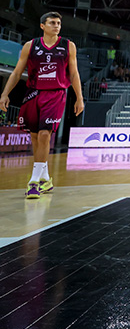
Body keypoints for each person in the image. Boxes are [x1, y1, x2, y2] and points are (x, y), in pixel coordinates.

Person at [0, 12, 84, 198]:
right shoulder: (30, 46)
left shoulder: (68, 46)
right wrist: (5, 94)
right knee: (36, 138)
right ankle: (46, 179)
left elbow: (74, 73)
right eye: (52, 23)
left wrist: (79, 97)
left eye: (59, 23)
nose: (56, 26)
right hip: (33, 93)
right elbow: (16, 72)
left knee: (45, 134)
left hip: (56, 94)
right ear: (42, 26)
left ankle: (34, 182)